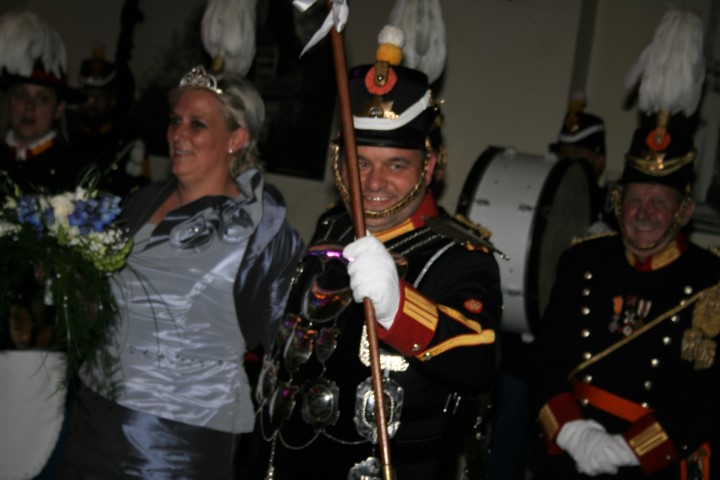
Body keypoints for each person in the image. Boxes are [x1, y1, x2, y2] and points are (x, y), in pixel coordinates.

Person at [252, 27, 502, 480]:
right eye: (360, 163)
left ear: (428, 167)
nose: (373, 183)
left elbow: (480, 358)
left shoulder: (461, 253)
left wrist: (399, 307)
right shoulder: (333, 226)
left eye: (396, 165)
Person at [58, 65, 304, 479]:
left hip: (177, 439)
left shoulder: (261, 232)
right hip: (93, 421)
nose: (177, 134)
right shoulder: (139, 204)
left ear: (236, 139)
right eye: (175, 121)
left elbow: (286, 346)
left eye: (197, 124)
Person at [0, 10, 86, 195]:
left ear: (59, 108)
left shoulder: (74, 171)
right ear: (8, 101)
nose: (29, 107)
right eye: (21, 95)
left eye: (42, 98)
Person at [68, 47, 151, 197]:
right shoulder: (65, 136)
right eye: (88, 96)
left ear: (111, 100)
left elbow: (143, 196)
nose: (93, 103)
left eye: (100, 97)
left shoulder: (128, 145)